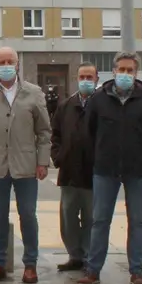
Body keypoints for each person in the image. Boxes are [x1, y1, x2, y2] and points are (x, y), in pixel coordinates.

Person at [78, 51, 142, 284]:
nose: (125, 74)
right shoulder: (99, 99)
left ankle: (136, 271)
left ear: (137, 73)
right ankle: (93, 270)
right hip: (105, 169)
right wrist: (101, 154)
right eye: (122, 70)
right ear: (114, 71)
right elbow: (89, 131)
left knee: (137, 221)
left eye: (130, 70)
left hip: (138, 170)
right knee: (100, 220)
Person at [0, 46, 51, 284]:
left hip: (26, 165)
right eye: (1, 61)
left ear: (17, 64)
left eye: (10, 61)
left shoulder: (34, 93)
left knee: (28, 214)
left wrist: (43, 161)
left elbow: (44, 131)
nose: (6, 65)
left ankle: (30, 264)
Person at [51, 64, 97, 273]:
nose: (85, 80)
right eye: (82, 76)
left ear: (96, 79)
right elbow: (56, 134)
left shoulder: (101, 105)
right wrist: (58, 156)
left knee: (91, 216)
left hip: (94, 173)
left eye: (89, 76)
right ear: (76, 79)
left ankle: (88, 255)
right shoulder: (65, 105)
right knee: (68, 215)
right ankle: (74, 255)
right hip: (69, 171)